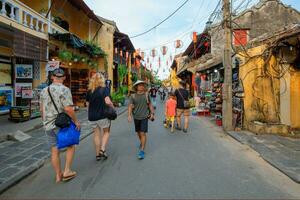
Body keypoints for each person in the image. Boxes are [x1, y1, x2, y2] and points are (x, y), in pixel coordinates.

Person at [40, 68, 80, 183]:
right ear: (63, 78)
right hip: (62, 124)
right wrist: (76, 121)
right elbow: (68, 109)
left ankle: (58, 175)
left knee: (54, 150)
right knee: (71, 145)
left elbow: (42, 110)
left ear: (52, 77)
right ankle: (67, 171)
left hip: (48, 125)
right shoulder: (65, 90)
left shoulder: (44, 90)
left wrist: (45, 122)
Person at [86, 73, 114, 161]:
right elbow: (108, 101)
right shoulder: (104, 89)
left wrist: (90, 111)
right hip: (102, 115)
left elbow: (87, 104)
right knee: (106, 132)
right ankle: (102, 149)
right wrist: (113, 107)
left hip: (92, 117)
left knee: (96, 135)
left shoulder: (89, 91)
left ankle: (97, 154)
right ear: (102, 80)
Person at [128, 80, 155, 160]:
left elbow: (150, 104)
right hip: (136, 117)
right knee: (138, 132)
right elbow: (130, 106)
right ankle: (142, 141)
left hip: (144, 117)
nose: (141, 86)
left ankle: (142, 150)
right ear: (136, 87)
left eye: (142, 85)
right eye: (139, 85)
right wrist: (129, 115)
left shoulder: (147, 95)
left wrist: (152, 113)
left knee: (143, 133)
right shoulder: (133, 96)